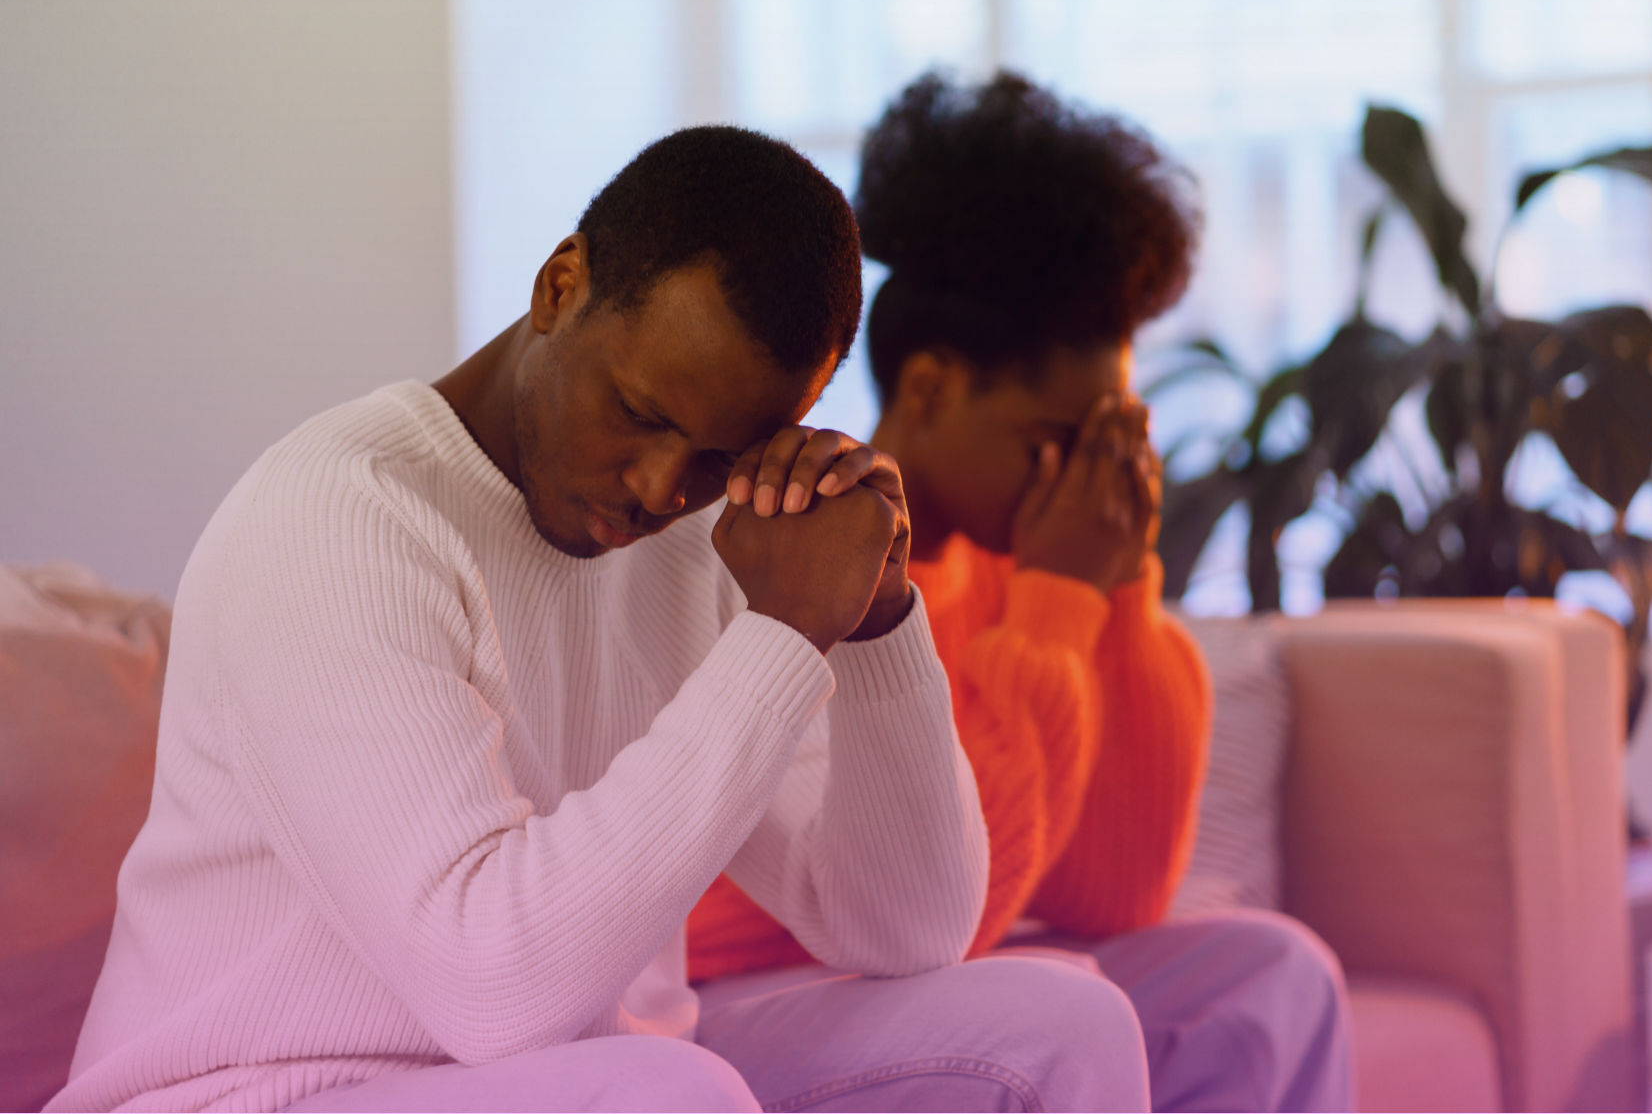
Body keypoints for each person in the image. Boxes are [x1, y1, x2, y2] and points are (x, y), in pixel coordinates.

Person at [50, 127, 1152, 1113]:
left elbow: (908, 926)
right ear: (559, 286)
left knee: (1060, 1023)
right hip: (263, 1087)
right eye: (638, 410)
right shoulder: (340, 517)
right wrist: (777, 638)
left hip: (597, 1075)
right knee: (663, 1091)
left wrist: (875, 618)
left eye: (719, 454)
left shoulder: (703, 536)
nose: (663, 486)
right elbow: (492, 987)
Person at [687, 75, 1356, 1113]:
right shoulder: (790, 548)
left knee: (1273, 975)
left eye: (1108, 440)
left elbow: (1115, 891)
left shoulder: (1035, 570)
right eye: (1056, 440)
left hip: (925, 974)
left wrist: (1116, 584)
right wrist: (1057, 601)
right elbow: (948, 913)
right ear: (931, 388)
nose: (1081, 479)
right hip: (749, 986)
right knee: (1057, 1003)